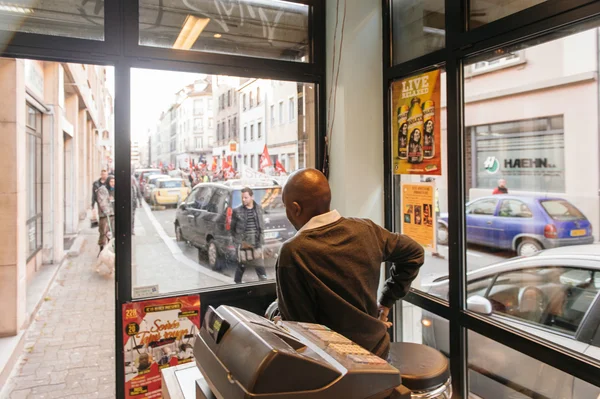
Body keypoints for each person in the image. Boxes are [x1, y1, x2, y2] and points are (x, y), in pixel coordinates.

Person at [276, 169, 424, 359]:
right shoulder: (366, 229)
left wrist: (278, 320)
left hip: (336, 365)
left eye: (286, 207)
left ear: (296, 208)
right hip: (377, 352)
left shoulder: (294, 252)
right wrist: (386, 301)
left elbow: (301, 331)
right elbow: (415, 253)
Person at [231, 187, 268, 283]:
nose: (243, 200)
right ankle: (237, 289)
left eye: (246, 197)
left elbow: (261, 226)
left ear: (252, 197)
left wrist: (260, 242)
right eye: (242, 197)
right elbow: (232, 229)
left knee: (261, 271)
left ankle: (264, 288)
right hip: (243, 245)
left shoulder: (259, 209)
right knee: (240, 269)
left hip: (256, 244)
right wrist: (238, 243)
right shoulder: (237, 211)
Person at [97, 176, 116, 254]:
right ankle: (101, 249)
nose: (112, 183)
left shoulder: (115, 190)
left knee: (111, 232)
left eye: (114, 182)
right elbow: (102, 202)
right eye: (111, 181)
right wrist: (106, 210)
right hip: (105, 215)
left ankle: (110, 249)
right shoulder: (103, 190)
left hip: (113, 214)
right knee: (103, 232)